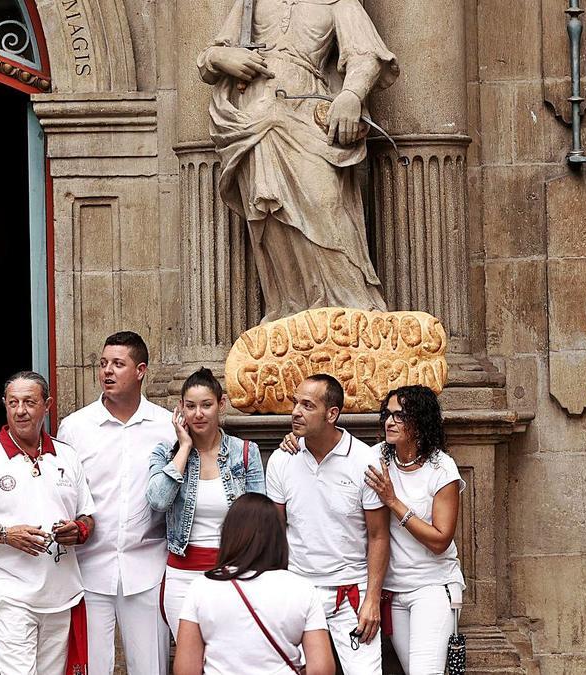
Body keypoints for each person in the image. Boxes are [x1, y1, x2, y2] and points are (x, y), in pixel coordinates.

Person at [197, 0, 399, 319]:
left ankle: (352, 310)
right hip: (254, 119)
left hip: (305, 113)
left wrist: (351, 95)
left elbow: (366, 55)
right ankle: (289, 312)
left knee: (326, 206)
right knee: (271, 216)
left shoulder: (339, 2)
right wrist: (222, 56)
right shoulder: (253, 1)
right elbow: (210, 56)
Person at [0, 371, 96, 675]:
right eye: (13, 403)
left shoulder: (67, 456)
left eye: (29, 402)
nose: (20, 410)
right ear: (4, 405)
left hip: (60, 596)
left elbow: (87, 517)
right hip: (10, 595)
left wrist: (77, 531)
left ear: (47, 405)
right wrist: (5, 534)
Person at [56, 331, 174, 675]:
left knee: (150, 667)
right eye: (104, 363)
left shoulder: (166, 426)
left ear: (140, 370)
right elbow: (63, 492)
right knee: (91, 667)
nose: (107, 371)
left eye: (118, 364)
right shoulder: (75, 427)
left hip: (147, 566)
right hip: (89, 567)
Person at [268, 373, 390, 674]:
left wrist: (372, 599)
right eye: (296, 402)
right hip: (299, 589)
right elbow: (276, 532)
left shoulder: (365, 460)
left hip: (351, 591)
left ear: (332, 414)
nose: (296, 411)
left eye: (307, 405)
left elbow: (378, 536)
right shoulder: (282, 460)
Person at [146, 367, 265, 637]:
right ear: (180, 409)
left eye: (206, 405)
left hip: (233, 572)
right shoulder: (166, 453)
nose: (198, 413)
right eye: (190, 406)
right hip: (182, 576)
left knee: (230, 659)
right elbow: (158, 501)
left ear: (221, 405)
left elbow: (261, 520)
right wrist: (185, 448)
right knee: (189, 661)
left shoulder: (245, 452)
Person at [363, 385, 465, 675]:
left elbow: (440, 540)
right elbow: (337, 451)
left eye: (399, 415)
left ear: (420, 421)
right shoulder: (376, 457)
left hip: (433, 588)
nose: (389, 422)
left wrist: (393, 502)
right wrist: (296, 442)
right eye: (387, 414)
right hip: (393, 592)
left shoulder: (441, 468)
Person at [173, 493, 334, 675]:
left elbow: (185, 670)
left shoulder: (202, 587)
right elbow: (321, 670)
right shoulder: (303, 589)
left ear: (229, 534)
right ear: (279, 537)